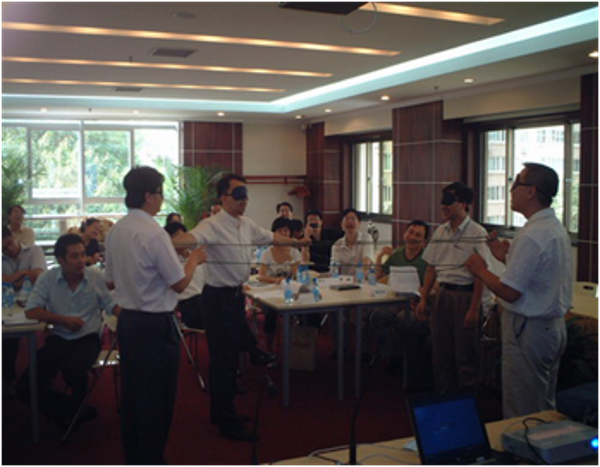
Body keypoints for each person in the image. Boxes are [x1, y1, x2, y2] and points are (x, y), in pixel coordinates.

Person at [175, 174, 310, 442]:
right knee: (224, 362)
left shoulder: (246, 224)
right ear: (223, 198)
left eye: (246, 194)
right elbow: (191, 239)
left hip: (236, 296)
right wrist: (164, 242)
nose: (244, 200)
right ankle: (227, 421)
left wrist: (297, 243)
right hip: (217, 298)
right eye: (238, 195)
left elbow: (270, 237)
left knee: (227, 358)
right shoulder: (212, 225)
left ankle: (219, 412)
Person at [104, 166, 207, 467]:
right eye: (160, 193)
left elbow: (109, 281)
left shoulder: (116, 230)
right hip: (154, 324)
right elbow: (180, 284)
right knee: (157, 398)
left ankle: (135, 457)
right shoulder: (154, 233)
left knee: (133, 395)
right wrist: (195, 260)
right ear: (149, 196)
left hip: (128, 322)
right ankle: (152, 458)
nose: (162, 199)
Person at [465, 163, 572, 418]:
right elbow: (535, 276)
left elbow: (510, 291)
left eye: (516, 184)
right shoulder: (553, 228)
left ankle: (524, 445)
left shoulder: (532, 234)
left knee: (523, 408)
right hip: (550, 327)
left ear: (531, 191)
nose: (511, 190)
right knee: (542, 403)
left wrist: (480, 270)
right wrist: (505, 257)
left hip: (529, 328)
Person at [16, 234, 119, 427]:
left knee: (74, 369)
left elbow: (110, 305)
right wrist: (63, 320)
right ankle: (75, 410)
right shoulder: (48, 278)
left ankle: (73, 411)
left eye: (83, 254)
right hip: (59, 337)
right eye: (74, 256)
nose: (81, 260)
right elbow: (31, 310)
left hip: (87, 339)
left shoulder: (95, 277)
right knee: (25, 386)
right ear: (61, 260)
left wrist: (131, 315)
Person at [415, 182, 493, 392]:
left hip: (465, 296)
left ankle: (466, 400)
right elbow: (431, 267)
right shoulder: (441, 231)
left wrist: (474, 309)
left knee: (465, 354)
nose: (444, 206)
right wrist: (424, 298)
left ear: (464, 204)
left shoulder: (477, 232)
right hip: (443, 295)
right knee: (441, 351)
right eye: (443, 201)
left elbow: (481, 274)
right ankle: (444, 396)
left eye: (449, 201)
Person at [367, 221, 432, 390]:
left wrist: (421, 298)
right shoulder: (397, 254)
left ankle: (407, 365)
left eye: (418, 235)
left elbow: (433, 287)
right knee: (377, 315)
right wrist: (380, 256)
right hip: (397, 301)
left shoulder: (427, 259)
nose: (413, 237)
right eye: (410, 232)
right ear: (404, 234)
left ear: (424, 241)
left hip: (418, 305)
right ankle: (394, 355)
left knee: (403, 320)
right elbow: (379, 275)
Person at [1, 226, 46, 398]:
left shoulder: (34, 251)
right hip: (8, 305)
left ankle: (28, 379)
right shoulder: (2, 257)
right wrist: (25, 273)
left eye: (9, 244)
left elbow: (38, 277)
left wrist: (10, 280)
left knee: (20, 333)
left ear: (13, 236)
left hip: (34, 302)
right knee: (7, 335)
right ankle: (9, 378)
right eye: (4, 249)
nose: (9, 250)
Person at [258, 217, 302, 352]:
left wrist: (290, 258)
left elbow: (297, 275)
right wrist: (276, 280)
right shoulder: (267, 253)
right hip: (271, 292)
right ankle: (269, 349)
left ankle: (296, 346)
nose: (284, 233)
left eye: (286, 230)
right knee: (271, 313)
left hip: (290, 291)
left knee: (301, 308)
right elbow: (261, 276)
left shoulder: (294, 252)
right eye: (280, 230)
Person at [165, 222, 205, 330]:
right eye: (178, 237)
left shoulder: (196, 256)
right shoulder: (170, 261)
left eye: (184, 236)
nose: (183, 240)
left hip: (204, 299)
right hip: (187, 305)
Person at [331, 208, 374, 276]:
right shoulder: (337, 245)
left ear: (359, 223)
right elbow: (334, 269)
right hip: (344, 281)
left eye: (353, 219)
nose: (350, 221)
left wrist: (357, 278)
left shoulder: (366, 238)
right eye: (347, 219)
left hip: (364, 279)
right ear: (342, 225)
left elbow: (366, 262)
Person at [304, 209, 343, 273]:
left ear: (321, 222)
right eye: (310, 220)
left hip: (330, 270)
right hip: (313, 271)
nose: (313, 222)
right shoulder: (306, 238)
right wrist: (306, 237)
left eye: (315, 219)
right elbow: (304, 261)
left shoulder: (332, 233)